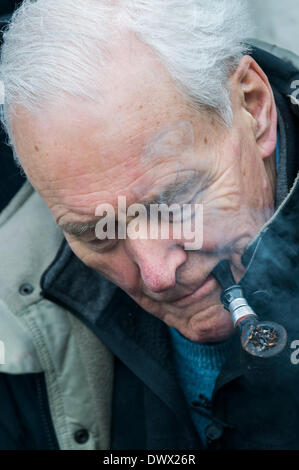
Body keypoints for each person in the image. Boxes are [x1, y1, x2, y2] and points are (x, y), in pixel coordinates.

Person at [0, 0, 299, 450]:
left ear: (252, 108)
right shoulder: (13, 324)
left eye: (174, 201)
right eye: (94, 234)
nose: (157, 276)